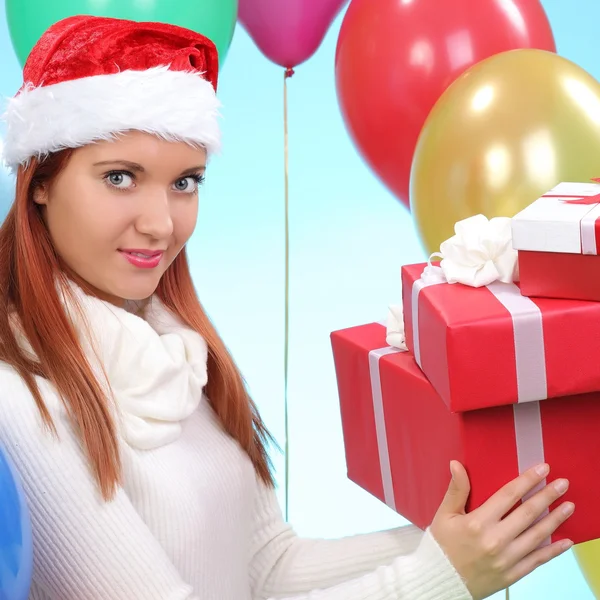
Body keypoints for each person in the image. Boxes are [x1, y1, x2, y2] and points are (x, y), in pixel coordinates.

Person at [0, 15, 573, 600]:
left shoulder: (177, 353)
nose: (160, 224)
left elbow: (268, 569)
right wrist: (442, 575)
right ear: (39, 180)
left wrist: (491, 532)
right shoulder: (20, 396)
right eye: (120, 177)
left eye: (185, 182)